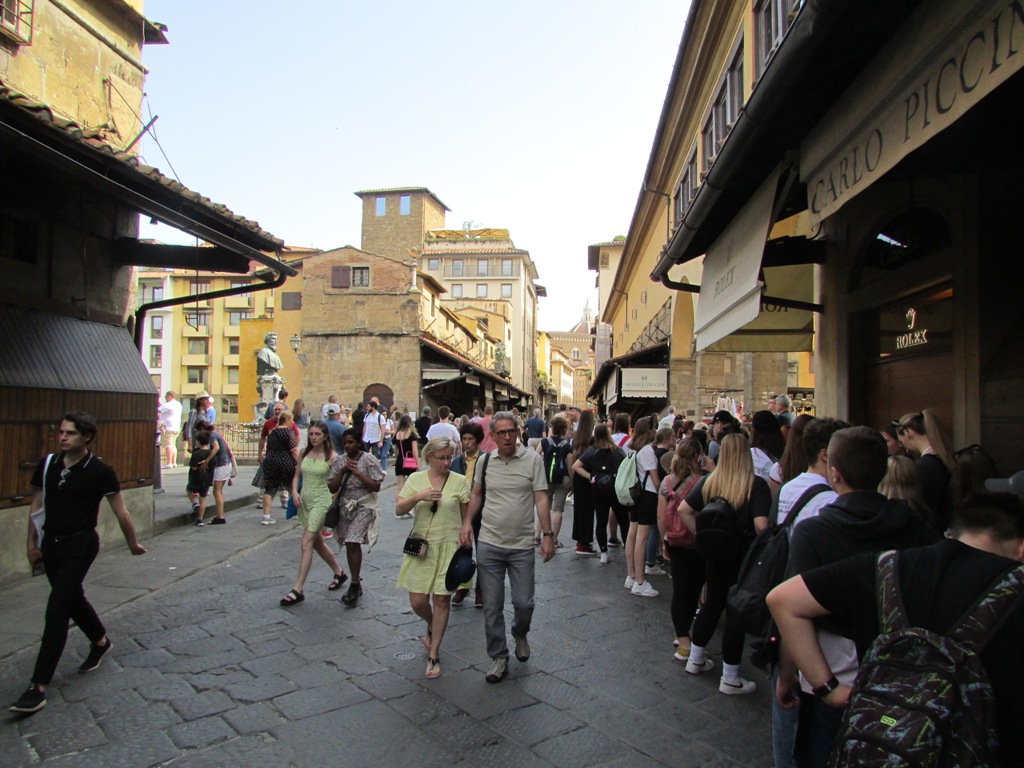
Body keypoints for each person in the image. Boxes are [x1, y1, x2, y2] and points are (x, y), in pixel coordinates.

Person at [767, 492, 1024, 767]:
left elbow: (783, 600)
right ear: (1020, 548)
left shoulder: (889, 566)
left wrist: (829, 689)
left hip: (883, 742)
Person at [776, 426, 939, 766]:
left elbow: (791, 607)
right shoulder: (918, 527)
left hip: (834, 679)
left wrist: (788, 675)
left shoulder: (815, 532)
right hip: (902, 675)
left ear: (834, 472)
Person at [9, 412, 146, 715]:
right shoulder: (48, 464)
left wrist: (132, 543)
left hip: (81, 544)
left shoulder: (100, 471)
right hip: (51, 542)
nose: (62, 437)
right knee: (71, 598)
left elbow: (121, 511)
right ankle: (100, 640)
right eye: (61, 432)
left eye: (69, 433)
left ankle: (38, 685)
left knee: (57, 609)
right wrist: (31, 543)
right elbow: (36, 506)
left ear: (86, 437)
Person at [459, 412, 554, 683]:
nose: (508, 437)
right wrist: (467, 523)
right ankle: (498, 656)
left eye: (511, 431)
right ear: (492, 436)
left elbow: (541, 497)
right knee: (491, 605)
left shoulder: (532, 460)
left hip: (522, 544)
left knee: (524, 603)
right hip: (489, 542)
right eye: (501, 433)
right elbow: (476, 494)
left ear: (517, 431)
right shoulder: (485, 462)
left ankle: (520, 632)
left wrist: (548, 534)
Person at [677, 433, 771, 694]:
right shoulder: (755, 485)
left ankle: (695, 659)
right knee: (735, 612)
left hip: (715, 554)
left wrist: (701, 536)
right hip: (742, 557)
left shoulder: (709, 482)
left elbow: (684, 509)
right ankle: (730, 676)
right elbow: (761, 525)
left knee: (712, 603)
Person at [395, 436, 471, 679]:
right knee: (418, 602)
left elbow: (466, 514)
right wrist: (419, 496)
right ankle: (431, 623)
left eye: (450, 457)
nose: (446, 462)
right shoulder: (416, 479)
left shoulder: (459, 481)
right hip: (422, 548)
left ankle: (434, 654)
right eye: (441, 458)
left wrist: (466, 529)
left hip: (449, 546)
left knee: (441, 601)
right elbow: (399, 509)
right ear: (429, 457)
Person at [279, 421, 348, 606]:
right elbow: (296, 476)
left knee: (306, 543)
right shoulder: (304, 453)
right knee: (317, 542)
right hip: (305, 501)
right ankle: (339, 572)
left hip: (321, 501)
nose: (314, 437)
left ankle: (298, 589)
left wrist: (334, 500)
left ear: (325, 436)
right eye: (311, 434)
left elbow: (337, 482)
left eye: (317, 434)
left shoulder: (332, 457)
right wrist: (294, 492)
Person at [656, 439, 707, 661]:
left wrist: (663, 541)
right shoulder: (702, 481)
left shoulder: (667, 481)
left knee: (679, 589)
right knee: (695, 590)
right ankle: (689, 640)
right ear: (697, 455)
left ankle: (682, 639)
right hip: (695, 541)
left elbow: (661, 516)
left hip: (674, 540)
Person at [334, 428, 384, 606]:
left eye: (351, 442)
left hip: (364, 506)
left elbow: (376, 486)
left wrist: (358, 473)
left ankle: (354, 584)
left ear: (358, 442)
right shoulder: (340, 461)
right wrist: (342, 471)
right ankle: (355, 579)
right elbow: (332, 486)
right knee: (349, 543)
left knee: (353, 540)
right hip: (346, 506)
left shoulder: (368, 459)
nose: (347, 446)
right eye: (345, 443)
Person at [573, 422, 627, 563]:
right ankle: (628, 548)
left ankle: (604, 552)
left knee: (601, 522)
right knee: (623, 521)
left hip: (598, 490)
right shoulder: (618, 451)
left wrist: (590, 477)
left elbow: (576, 466)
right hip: (615, 490)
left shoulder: (592, 450)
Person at [896, 409, 955, 532]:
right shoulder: (942, 460)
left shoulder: (924, 466)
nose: (904, 448)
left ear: (908, 433)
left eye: (902, 441)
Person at [624, 417, 660, 596]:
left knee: (633, 534)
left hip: (636, 494)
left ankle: (631, 575)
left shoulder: (633, 448)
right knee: (642, 537)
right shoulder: (647, 450)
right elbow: (655, 480)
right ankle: (640, 581)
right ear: (649, 430)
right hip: (648, 494)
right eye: (654, 428)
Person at [450, 421, 485, 607]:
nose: (466, 442)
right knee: (463, 550)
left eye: (470, 439)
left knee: (483, 552)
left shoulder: (486, 460)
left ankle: (481, 589)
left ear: (477, 440)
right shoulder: (456, 462)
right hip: (461, 512)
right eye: (464, 439)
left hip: (482, 512)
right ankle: (462, 586)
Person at [253, 411, 299, 526]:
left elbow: (268, 444)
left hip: (271, 460)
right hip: (286, 461)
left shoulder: (272, 432)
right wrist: (300, 462)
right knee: (291, 487)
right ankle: (296, 512)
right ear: (287, 420)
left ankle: (266, 516)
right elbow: (293, 449)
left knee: (270, 489)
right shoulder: (289, 432)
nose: (292, 422)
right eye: (291, 420)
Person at [535, 415, 571, 549]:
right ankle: (554, 539)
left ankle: (537, 536)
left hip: (546, 478)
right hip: (563, 478)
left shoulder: (544, 442)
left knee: (543, 506)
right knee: (558, 509)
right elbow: (570, 466)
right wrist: (572, 483)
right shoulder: (567, 446)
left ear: (552, 428)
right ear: (564, 430)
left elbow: (535, 457)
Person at [569, 409, 598, 555]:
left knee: (579, 510)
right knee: (587, 511)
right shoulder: (591, 440)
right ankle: (584, 543)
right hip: (587, 476)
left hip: (578, 477)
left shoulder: (577, 438)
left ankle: (580, 541)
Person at [186, 426, 217, 525]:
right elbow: (214, 465)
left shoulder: (196, 453)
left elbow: (194, 467)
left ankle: (194, 504)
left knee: (189, 490)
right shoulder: (211, 454)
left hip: (196, 478)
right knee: (203, 499)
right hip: (207, 478)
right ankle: (200, 519)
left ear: (198, 441)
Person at [393, 413, 420, 499]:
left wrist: (398, 458)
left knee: (399, 486)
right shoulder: (412, 434)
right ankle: (409, 502)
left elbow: (396, 451)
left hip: (400, 461)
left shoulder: (397, 434)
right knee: (412, 485)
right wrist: (417, 463)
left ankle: (398, 502)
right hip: (410, 461)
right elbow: (414, 450)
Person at [157, 391, 183, 469]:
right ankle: (174, 462)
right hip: (176, 427)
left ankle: (169, 463)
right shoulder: (178, 404)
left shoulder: (168, 404)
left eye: (166, 396)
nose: (165, 398)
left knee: (168, 445)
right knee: (173, 445)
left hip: (169, 427)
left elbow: (158, 410)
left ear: (169, 396)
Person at [380, 406, 395, 473]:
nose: (384, 416)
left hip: (387, 439)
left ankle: (384, 470)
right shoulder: (379, 421)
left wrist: (388, 432)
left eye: (385, 414)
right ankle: (381, 468)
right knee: (381, 455)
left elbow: (393, 431)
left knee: (384, 455)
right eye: (382, 414)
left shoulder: (389, 421)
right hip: (380, 439)